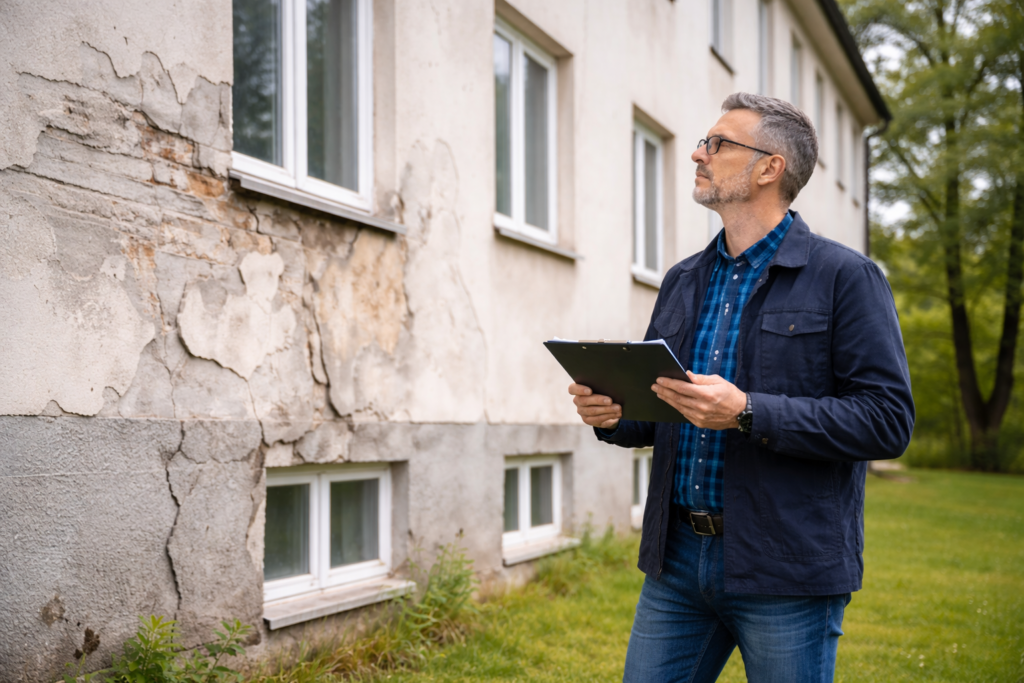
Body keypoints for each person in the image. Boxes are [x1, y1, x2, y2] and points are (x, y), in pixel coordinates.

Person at [569, 93, 914, 683]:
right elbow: (659, 413)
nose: (698, 154)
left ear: (769, 168)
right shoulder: (682, 280)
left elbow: (886, 420)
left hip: (787, 568)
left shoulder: (845, 278)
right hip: (676, 561)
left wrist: (749, 412)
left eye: (717, 143)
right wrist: (611, 414)